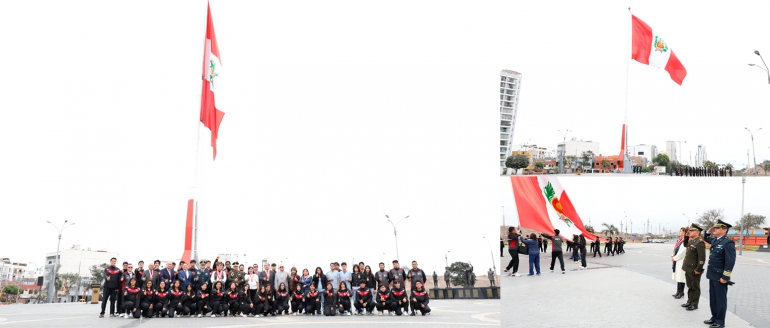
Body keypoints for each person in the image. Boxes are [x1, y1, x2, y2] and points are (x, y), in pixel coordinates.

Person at [703, 220, 737, 328]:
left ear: (724, 230)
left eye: (717, 228)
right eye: (714, 228)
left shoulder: (728, 243)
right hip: (712, 274)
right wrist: (708, 231)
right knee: (713, 298)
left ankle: (720, 321)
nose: (715, 229)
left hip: (720, 276)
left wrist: (725, 276)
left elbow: (730, 261)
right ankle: (714, 317)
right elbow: (705, 238)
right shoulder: (716, 240)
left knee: (720, 299)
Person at [682, 223, 706, 311]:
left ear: (698, 232)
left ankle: (694, 304)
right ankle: (689, 301)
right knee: (690, 286)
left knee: (695, 287)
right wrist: (686, 236)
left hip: (694, 269)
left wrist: (698, 269)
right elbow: (685, 245)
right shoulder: (692, 241)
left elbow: (701, 258)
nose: (690, 232)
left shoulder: (700, 243)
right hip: (688, 268)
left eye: (692, 231)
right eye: (690, 231)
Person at [671, 227, 689, 299]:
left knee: (681, 277)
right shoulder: (680, 241)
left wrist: (674, 258)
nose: (679, 232)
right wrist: (672, 256)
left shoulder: (685, 241)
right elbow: (675, 249)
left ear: (684, 233)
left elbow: (682, 252)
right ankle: (678, 292)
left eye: (681, 231)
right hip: (677, 261)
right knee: (678, 276)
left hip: (681, 261)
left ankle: (681, 293)